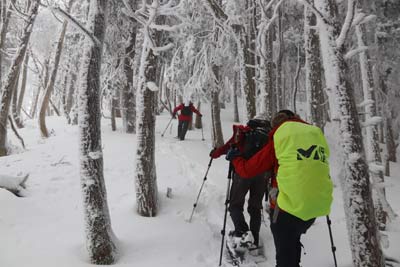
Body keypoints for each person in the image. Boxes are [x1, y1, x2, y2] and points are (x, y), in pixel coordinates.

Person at [226, 110, 333, 267]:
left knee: (284, 255)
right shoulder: (314, 133)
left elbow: (247, 170)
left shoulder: (281, 136)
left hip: (287, 210)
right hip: (316, 208)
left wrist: (235, 158)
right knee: (293, 241)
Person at [210, 114, 272, 249]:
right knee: (255, 207)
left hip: (242, 172)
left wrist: (216, 153)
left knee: (235, 205)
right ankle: (254, 238)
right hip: (262, 176)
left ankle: (243, 233)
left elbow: (229, 146)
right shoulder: (270, 136)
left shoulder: (243, 131)